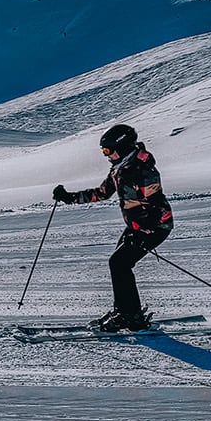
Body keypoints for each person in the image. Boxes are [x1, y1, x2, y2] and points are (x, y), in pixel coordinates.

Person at [52, 123, 175, 331]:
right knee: (118, 264)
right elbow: (101, 193)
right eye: (103, 151)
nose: (106, 155)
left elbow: (154, 205)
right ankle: (124, 311)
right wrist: (68, 197)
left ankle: (132, 317)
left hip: (155, 226)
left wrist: (144, 230)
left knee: (119, 264)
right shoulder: (119, 169)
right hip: (137, 226)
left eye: (108, 150)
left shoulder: (142, 170)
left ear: (123, 147)